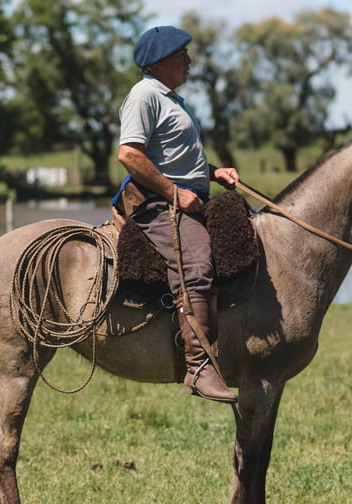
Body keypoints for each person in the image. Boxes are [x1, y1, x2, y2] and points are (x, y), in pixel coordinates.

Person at [115, 25, 239, 404]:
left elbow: (175, 158)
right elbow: (130, 154)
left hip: (182, 197)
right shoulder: (144, 95)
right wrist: (174, 194)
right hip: (156, 204)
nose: (189, 60)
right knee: (196, 266)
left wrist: (212, 171)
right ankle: (199, 367)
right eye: (181, 54)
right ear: (159, 62)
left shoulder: (173, 100)